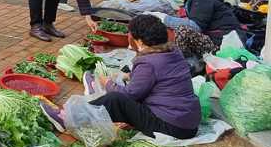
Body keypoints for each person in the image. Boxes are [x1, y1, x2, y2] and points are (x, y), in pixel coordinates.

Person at [43, 15, 200, 140]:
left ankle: (68, 118)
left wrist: (108, 83)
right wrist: (129, 75)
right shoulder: (173, 52)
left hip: (172, 127)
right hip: (187, 123)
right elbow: (160, 76)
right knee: (122, 96)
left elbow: (130, 95)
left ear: (139, 40)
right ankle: (77, 114)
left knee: (116, 99)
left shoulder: (149, 63)